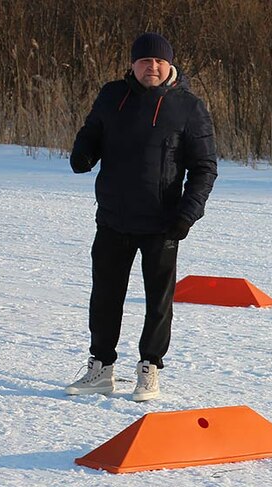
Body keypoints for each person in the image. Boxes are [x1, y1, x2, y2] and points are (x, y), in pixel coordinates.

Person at [66, 32, 217, 401]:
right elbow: (92, 133)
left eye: (158, 61)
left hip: (162, 223)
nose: (152, 67)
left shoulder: (188, 107)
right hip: (114, 217)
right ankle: (101, 367)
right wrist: (83, 152)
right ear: (132, 65)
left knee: (158, 301)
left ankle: (150, 367)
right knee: (105, 296)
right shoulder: (112, 96)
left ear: (169, 65)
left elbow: (204, 168)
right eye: (144, 61)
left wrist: (187, 214)